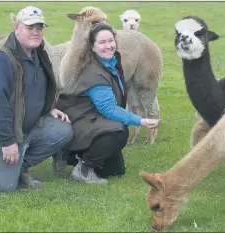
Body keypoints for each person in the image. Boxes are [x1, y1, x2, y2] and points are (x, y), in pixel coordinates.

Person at [0, 6, 73, 192]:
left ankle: (17, 166)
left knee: (62, 130)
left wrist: (49, 107)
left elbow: (39, 86)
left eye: (39, 27)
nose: (35, 32)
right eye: (29, 27)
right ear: (16, 27)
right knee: (4, 187)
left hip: (24, 127)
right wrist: (7, 141)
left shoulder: (38, 52)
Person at [56, 23, 161, 185]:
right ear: (92, 46)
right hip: (79, 122)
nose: (108, 46)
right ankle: (83, 169)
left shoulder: (111, 61)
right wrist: (140, 120)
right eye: (102, 42)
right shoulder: (94, 72)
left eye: (110, 40)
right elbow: (109, 109)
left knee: (116, 170)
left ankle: (72, 156)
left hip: (91, 118)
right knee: (119, 131)